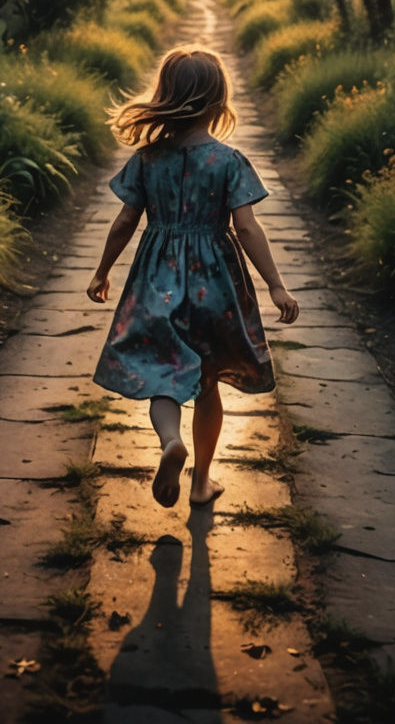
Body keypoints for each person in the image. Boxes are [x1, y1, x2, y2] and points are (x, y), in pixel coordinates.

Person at [86, 47, 299, 509]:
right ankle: (202, 481)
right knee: (206, 385)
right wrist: (275, 284)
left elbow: (125, 222)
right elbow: (245, 228)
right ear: (219, 101)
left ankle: (168, 442)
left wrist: (102, 271)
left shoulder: (147, 159)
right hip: (214, 284)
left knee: (162, 373)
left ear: (165, 95)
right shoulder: (228, 161)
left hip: (155, 279)